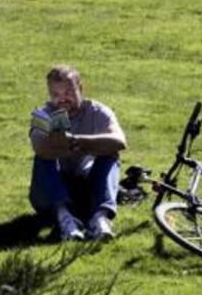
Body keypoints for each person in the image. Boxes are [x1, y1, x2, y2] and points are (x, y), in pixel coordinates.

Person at [28, 65, 127, 241]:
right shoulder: (43, 115)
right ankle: (65, 219)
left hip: (87, 185)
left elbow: (119, 142)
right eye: (56, 95)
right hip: (51, 190)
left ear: (80, 89)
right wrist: (89, 145)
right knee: (43, 158)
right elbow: (40, 147)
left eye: (68, 92)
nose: (62, 99)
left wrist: (76, 141)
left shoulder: (98, 111)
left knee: (111, 154)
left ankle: (100, 218)